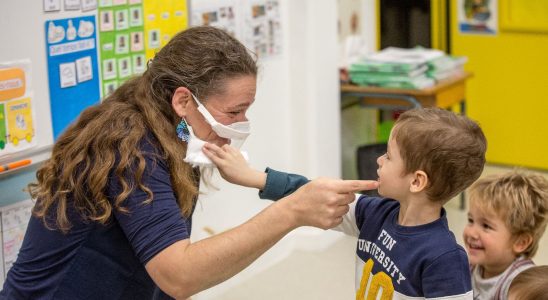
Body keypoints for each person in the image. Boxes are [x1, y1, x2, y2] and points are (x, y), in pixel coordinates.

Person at [0, 26, 378, 299]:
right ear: (183, 100)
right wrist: (290, 213)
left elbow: (162, 265)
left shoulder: (176, 133)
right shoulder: (127, 147)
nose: (238, 126)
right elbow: (178, 274)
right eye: (234, 111)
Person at [203, 107, 487, 299]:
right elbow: (310, 193)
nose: (379, 160)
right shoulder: (376, 213)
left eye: (388, 156)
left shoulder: (445, 259)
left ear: (417, 181)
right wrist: (253, 177)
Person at [463, 170, 548, 299]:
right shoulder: (472, 266)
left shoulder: (524, 287)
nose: (471, 232)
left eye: (486, 226)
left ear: (521, 242)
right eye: (471, 221)